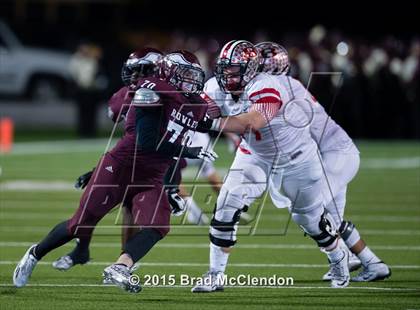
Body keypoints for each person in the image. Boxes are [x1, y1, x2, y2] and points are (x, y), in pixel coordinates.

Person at [12, 50, 216, 291]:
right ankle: (34, 254)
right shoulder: (150, 91)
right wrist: (190, 151)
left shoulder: (196, 103)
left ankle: (121, 266)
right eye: (185, 74)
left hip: (151, 175)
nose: (191, 80)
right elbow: (147, 142)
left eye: (194, 75)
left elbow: (215, 120)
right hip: (120, 169)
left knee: (158, 226)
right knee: (80, 225)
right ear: (168, 73)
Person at [191, 40, 351, 292]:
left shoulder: (267, 85)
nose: (226, 74)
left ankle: (338, 256)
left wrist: (209, 123)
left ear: (252, 69)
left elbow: (252, 122)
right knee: (226, 204)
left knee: (309, 221)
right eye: (224, 68)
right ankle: (215, 274)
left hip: (296, 158)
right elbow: (201, 111)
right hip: (254, 154)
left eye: (233, 69)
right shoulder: (214, 86)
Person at [255, 41, 391, 282]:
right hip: (338, 153)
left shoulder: (276, 86)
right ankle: (372, 264)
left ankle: (348, 258)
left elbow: (296, 128)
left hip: (336, 153)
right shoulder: (288, 83)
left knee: (306, 210)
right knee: (330, 219)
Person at [51, 48, 188, 274]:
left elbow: (169, 143)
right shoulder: (126, 94)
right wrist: (97, 169)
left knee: (132, 212)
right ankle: (82, 250)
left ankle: (123, 261)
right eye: (131, 71)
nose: (133, 76)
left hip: (156, 162)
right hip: (128, 158)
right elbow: (127, 135)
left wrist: (171, 185)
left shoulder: (169, 96)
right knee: (91, 207)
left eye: (139, 71)